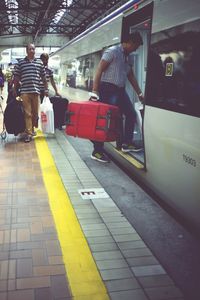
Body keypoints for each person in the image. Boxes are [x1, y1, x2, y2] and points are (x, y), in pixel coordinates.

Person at [91, 31, 144, 163]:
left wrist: (139, 93)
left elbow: (130, 76)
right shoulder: (112, 52)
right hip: (107, 89)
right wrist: (94, 91)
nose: (136, 49)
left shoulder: (129, 57)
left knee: (131, 114)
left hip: (120, 90)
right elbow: (99, 70)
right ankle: (97, 151)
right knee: (105, 120)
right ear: (130, 42)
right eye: (136, 46)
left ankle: (126, 143)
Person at [13, 43, 48, 143]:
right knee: (27, 113)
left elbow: (44, 78)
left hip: (36, 91)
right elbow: (16, 77)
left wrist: (46, 90)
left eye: (33, 49)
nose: (32, 50)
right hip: (25, 92)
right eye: (30, 49)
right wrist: (14, 89)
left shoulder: (39, 63)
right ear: (26, 51)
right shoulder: (21, 63)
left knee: (35, 114)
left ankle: (31, 129)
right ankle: (28, 134)